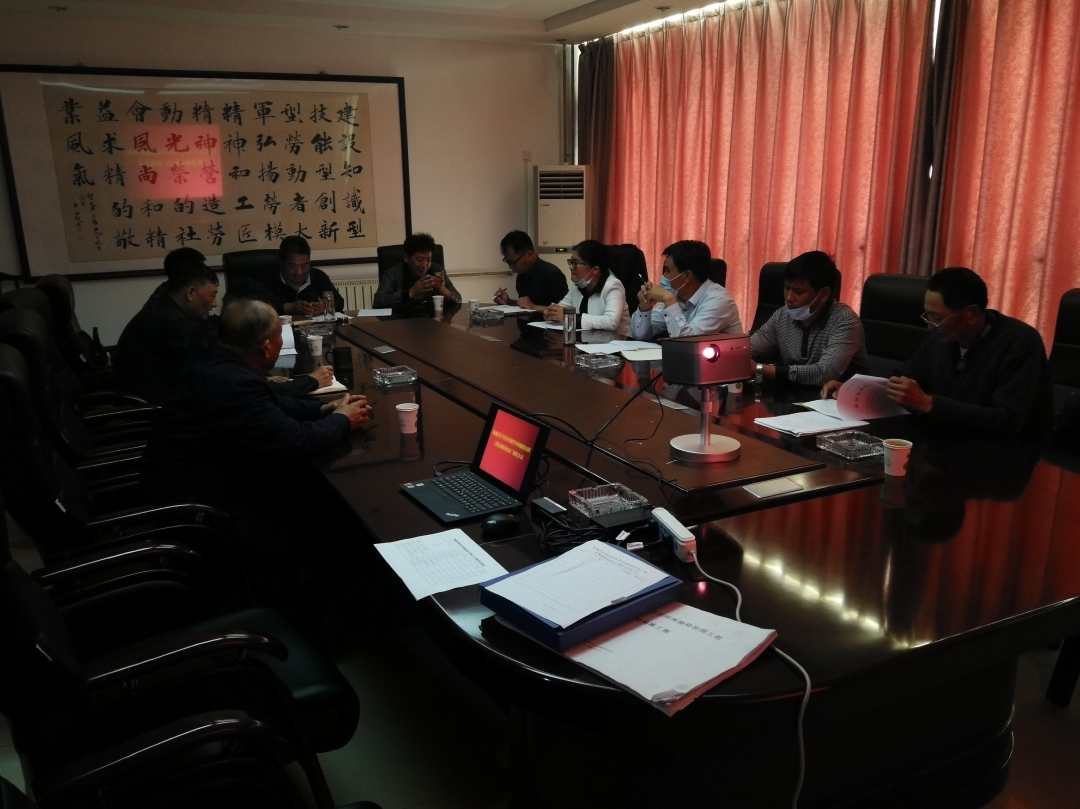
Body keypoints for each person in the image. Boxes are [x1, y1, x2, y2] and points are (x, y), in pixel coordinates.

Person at [141, 299, 372, 512]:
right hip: (198, 502)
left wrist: (322, 409)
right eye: (280, 336)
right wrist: (343, 419)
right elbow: (296, 441)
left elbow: (272, 401)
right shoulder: (234, 383)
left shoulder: (215, 356)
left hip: (190, 477)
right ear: (266, 347)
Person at [821, 267, 1054, 440]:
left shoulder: (1020, 344)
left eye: (938, 317)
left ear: (972, 314)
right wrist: (855, 389)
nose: (930, 324)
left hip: (1002, 458)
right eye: (928, 314)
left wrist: (929, 404)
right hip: (944, 444)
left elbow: (1007, 421)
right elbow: (903, 377)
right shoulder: (943, 338)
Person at [114, 248, 221, 404]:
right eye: (213, 295)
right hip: (151, 407)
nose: (215, 303)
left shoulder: (166, 300)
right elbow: (209, 350)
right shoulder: (166, 319)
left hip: (159, 395)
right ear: (191, 293)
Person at [750, 250, 869, 386]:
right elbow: (750, 348)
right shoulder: (782, 315)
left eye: (799, 292)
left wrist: (760, 369)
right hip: (794, 393)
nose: (789, 297)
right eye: (787, 288)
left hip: (839, 397)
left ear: (824, 294)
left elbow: (824, 374)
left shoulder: (845, 321)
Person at [630, 240, 743, 340]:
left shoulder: (719, 301)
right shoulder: (677, 294)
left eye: (667, 271)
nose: (663, 276)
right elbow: (640, 335)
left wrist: (669, 299)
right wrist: (645, 306)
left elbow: (688, 343)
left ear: (687, 276)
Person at [543, 240, 631, 336]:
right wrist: (552, 313)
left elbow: (611, 322)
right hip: (586, 340)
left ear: (595, 270)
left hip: (614, 342)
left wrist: (570, 317)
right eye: (571, 262)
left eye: (575, 263)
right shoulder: (579, 284)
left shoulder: (613, 286)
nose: (571, 267)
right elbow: (562, 308)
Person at [373, 232, 461, 315]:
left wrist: (442, 289)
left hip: (432, 322)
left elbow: (458, 299)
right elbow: (378, 302)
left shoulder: (436, 270)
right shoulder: (393, 274)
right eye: (419, 260)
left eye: (428, 260)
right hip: (401, 322)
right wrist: (410, 293)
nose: (424, 265)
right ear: (406, 258)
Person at [493, 230, 568, 310]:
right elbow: (525, 306)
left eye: (513, 262)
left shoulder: (552, 275)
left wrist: (534, 307)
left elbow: (564, 311)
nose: (511, 267)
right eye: (508, 262)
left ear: (529, 254)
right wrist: (508, 301)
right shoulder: (522, 275)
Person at [271, 235, 344, 317]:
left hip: (314, 324)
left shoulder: (318, 276)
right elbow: (261, 308)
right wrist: (290, 307)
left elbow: (339, 302)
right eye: (293, 266)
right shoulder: (267, 278)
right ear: (281, 262)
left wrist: (324, 306)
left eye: (304, 265)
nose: (299, 272)